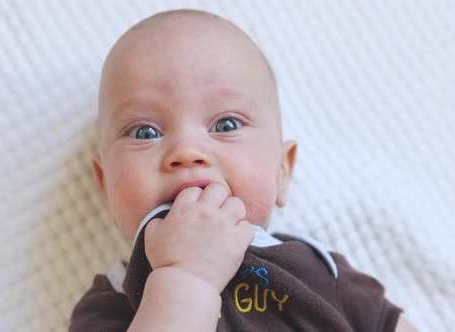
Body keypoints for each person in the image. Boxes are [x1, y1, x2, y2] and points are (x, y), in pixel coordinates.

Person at [70, 9, 417, 332]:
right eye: (145, 132)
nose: (187, 152)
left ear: (281, 170)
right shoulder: (113, 302)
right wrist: (187, 280)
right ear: (105, 184)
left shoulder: (318, 268)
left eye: (226, 124)